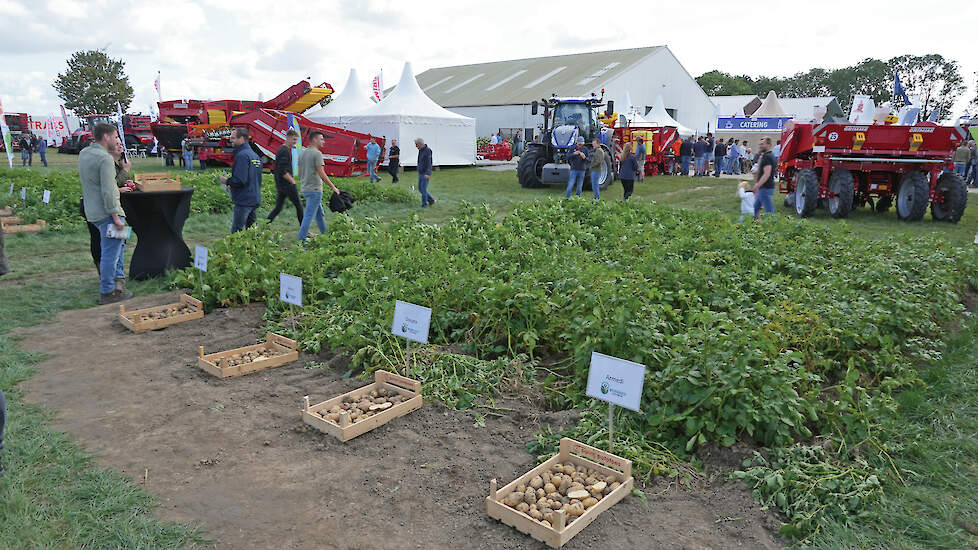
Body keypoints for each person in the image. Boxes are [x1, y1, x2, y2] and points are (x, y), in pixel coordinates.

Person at [79, 123, 132, 304]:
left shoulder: (84, 153)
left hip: (91, 211)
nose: (117, 140)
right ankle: (107, 292)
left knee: (117, 246)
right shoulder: (105, 159)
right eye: (116, 137)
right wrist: (116, 217)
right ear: (107, 137)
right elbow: (109, 191)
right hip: (107, 214)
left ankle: (119, 283)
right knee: (111, 253)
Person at [297, 130, 340, 241]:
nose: (323, 142)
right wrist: (333, 187)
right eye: (321, 139)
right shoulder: (317, 154)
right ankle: (300, 241)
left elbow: (299, 172)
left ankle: (325, 236)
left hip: (305, 188)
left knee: (319, 213)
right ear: (314, 139)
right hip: (315, 190)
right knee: (308, 217)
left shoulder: (303, 153)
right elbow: (321, 173)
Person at [219, 127, 262, 233]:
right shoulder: (255, 155)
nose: (230, 140)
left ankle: (234, 249)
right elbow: (256, 179)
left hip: (244, 200)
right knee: (252, 231)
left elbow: (240, 180)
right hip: (253, 197)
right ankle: (255, 248)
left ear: (241, 139)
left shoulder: (242, 156)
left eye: (233, 138)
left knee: (236, 232)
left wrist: (227, 181)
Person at [267, 130, 303, 224]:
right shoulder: (284, 151)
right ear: (287, 138)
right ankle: (304, 230)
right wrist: (292, 181)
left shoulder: (283, 149)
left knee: (278, 208)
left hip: (281, 184)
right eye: (294, 139)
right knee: (299, 206)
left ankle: (263, 226)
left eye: (296, 140)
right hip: (287, 184)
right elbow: (282, 171)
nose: (295, 142)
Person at [751, 137, 777, 220]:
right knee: (755, 208)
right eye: (760, 144)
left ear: (768, 145)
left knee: (770, 212)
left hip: (765, 188)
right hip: (764, 188)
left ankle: (774, 226)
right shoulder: (768, 155)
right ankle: (749, 224)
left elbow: (767, 174)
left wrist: (758, 185)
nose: (760, 146)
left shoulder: (767, 157)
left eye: (762, 144)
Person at [416, 137, 435, 208]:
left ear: (420, 144)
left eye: (416, 145)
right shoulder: (420, 150)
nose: (416, 146)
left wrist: (428, 173)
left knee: (423, 189)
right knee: (420, 189)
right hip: (420, 172)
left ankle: (424, 205)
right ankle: (431, 200)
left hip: (425, 173)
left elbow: (429, 163)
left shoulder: (428, 151)